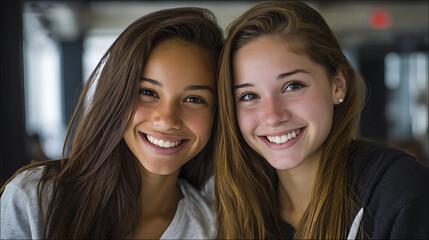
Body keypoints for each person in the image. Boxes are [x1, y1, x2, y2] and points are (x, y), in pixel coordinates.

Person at [1, 7, 223, 239]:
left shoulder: (216, 227)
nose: (167, 119)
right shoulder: (33, 199)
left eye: (194, 99)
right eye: (148, 92)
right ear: (116, 95)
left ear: (218, 113)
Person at [215, 1, 429, 239]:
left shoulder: (401, 194)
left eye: (292, 86)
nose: (273, 116)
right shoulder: (229, 207)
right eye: (249, 96)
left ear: (337, 85)